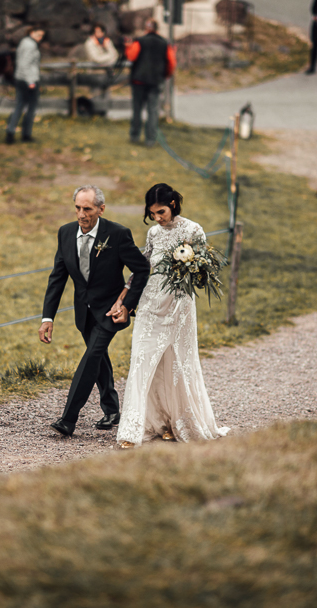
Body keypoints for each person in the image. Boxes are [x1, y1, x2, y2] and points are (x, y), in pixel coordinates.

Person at [111, 183, 229, 449]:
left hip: (178, 307)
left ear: (173, 205)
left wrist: (190, 268)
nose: (157, 218)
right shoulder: (153, 233)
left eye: (160, 212)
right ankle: (133, 429)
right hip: (151, 305)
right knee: (141, 361)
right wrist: (122, 299)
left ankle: (174, 422)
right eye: (152, 213)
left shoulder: (193, 230)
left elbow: (203, 273)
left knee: (176, 364)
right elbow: (142, 267)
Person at [39, 185, 151, 437]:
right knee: (98, 357)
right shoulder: (65, 233)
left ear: (100, 209)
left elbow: (142, 269)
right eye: (78, 208)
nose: (81, 214)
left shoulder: (119, 234)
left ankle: (68, 419)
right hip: (84, 312)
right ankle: (112, 410)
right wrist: (48, 317)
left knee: (90, 358)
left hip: (111, 311)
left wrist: (126, 304)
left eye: (87, 209)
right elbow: (58, 277)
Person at [125, 18, 176, 146]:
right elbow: (171, 62)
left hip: (139, 80)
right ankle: (150, 139)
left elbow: (131, 56)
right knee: (153, 110)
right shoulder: (165, 43)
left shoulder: (139, 41)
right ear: (157, 28)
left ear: (147, 28)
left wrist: (127, 47)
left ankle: (135, 135)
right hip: (156, 80)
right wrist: (166, 75)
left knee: (137, 109)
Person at [6, 26, 45, 144]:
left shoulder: (24, 42)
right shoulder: (30, 45)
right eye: (38, 35)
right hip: (28, 80)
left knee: (19, 105)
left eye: (42, 36)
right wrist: (31, 81)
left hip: (20, 78)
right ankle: (25, 134)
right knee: (31, 107)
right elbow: (25, 64)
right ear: (32, 33)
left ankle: (11, 132)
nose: (40, 38)